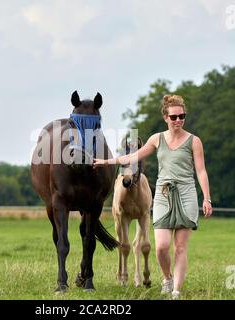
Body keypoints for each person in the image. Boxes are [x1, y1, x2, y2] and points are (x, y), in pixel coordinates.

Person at [93, 94, 212, 299]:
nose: (178, 121)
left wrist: (206, 198)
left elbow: (201, 171)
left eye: (181, 116)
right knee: (161, 247)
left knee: (180, 247)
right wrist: (106, 162)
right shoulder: (157, 139)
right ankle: (167, 278)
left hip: (186, 194)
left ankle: (175, 291)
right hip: (164, 195)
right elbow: (133, 156)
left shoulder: (194, 141)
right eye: (174, 117)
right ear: (165, 117)